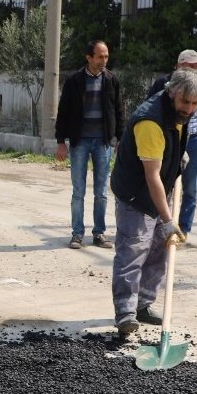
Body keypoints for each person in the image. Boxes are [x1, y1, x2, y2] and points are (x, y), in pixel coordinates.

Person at [109, 69, 197, 337]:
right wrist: (167, 220)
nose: (190, 108)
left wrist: (179, 155)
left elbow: (171, 145)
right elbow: (151, 177)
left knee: (159, 252)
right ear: (172, 93)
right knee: (133, 251)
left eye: (195, 103)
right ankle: (125, 313)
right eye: (185, 102)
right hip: (135, 193)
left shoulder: (180, 114)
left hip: (158, 187)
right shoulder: (150, 121)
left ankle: (143, 304)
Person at [145, 49, 197, 240]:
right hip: (169, 140)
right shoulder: (164, 84)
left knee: (191, 188)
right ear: (179, 65)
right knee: (163, 183)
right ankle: (159, 225)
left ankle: (184, 230)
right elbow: (150, 106)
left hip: (195, 140)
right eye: (191, 66)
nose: (196, 69)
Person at [54, 39, 125, 250]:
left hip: (104, 143)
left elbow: (119, 111)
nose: (104, 60)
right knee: (78, 191)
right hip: (79, 142)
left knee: (102, 192)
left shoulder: (111, 80)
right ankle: (77, 234)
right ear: (89, 57)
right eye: (100, 56)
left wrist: (120, 139)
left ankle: (99, 233)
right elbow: (63, 112)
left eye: (106, 56)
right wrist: (61, 142)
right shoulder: (74, 81)